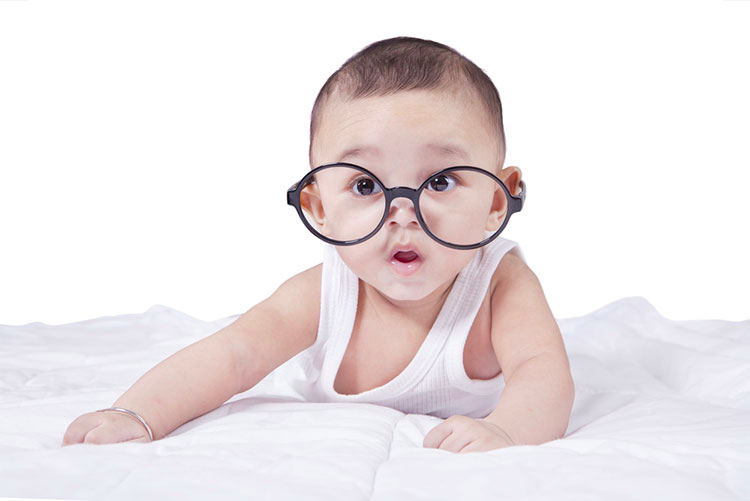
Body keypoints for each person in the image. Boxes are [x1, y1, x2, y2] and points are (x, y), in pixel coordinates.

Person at [62, 36, 574, 454]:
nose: (403, 212)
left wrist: (507, 432)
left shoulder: (498, 285)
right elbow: (234, 354)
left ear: (497, 200)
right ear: (318, 207)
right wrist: (137, 413)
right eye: (366, 186)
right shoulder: (325, 291)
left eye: (439, 182)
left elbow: (542, 371)